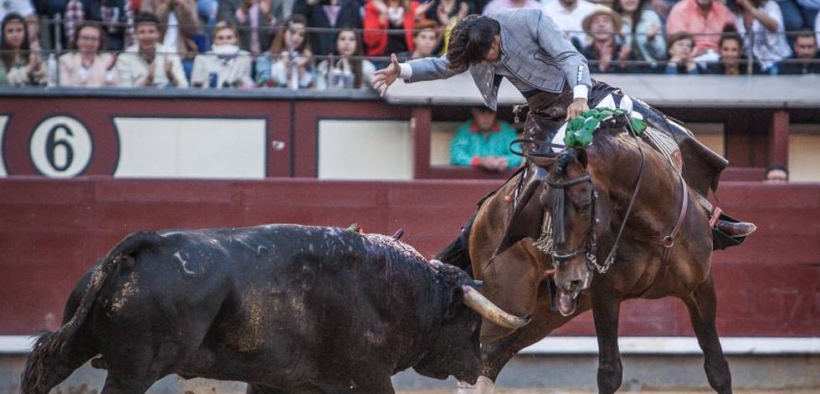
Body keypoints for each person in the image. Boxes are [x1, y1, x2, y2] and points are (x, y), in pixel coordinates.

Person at [372, 9, 756, 239]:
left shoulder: (529, 21)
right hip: (543, 115)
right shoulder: (477, 47)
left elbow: (571, 57)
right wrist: (402, 70)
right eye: (480, 60)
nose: (486, 63)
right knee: (534, 183)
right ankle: (547, 251)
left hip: (585, 94)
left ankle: (712, 216)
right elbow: (446, 65)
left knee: (663, 131)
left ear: (495, 36)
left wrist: (578, 98)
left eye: (487, 55)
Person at [116, 12, 189, 87]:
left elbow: (184, 87)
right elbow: (125, 92)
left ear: (158, 34)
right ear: (135, 35)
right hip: (139, 97)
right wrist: (147, 81)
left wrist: (171, 77)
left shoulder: (169, 53)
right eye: (142, 32)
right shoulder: (125, 57)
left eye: (151, 32)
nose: (147, 36)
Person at [450, 106, 523, 172]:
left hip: (501, 181)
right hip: (472, 180)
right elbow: (457, 156)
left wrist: (502, 161)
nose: (486, 118)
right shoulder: (464, 130)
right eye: (482, 113)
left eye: (490, 113)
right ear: (474, 112)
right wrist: (481, 162)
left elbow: (517, 155)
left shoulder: (506, 130)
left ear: (495, 113)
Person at [363, 0, 433, 66]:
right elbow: (370, 42)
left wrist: (416, 17)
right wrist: (381, 18)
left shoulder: (414, 8)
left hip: (407, 59)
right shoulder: (374, 7)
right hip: (380, 60)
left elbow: (420, 39)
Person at [729, 0, 792, 73]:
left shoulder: (770, 6)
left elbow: (773, 27)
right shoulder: (735, 14)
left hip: (777, 60)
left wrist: (750, 8)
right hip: (753, 64)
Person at [255, 14, 315, 88]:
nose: (296, 37)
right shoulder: (266, 58)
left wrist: (301, 73)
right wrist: (282, 70)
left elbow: (316, 92)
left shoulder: (306, 60)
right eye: (293, 32)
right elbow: (262, 87)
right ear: (283, 32)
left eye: (301, 35)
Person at [190, 20, 253, 88]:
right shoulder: (202, 58)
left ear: (236, 39)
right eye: (220, 38)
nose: (225, 41)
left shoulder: (244, 57)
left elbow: (246, 83)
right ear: (214, 40)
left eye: (229, 38)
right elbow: (196, 87)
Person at [292, 0, 363, 59]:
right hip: (315, 58)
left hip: (346, 61)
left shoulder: (352, 6)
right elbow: (296, 21)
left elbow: (358, 35)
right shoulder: (306, 3)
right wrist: (309, 3)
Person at [666, 0, 737, 58]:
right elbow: (677, 45)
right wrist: (697, 52)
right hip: (689, 60)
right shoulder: (680, 10)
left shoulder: (724, 12)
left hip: (719, 61)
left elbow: (732, 41)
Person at [58, 21, 119, 86]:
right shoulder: (65, 60)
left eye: (94, 39)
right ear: (77, 40)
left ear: (99, 42)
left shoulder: (108, 59)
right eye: (85, 38)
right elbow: (64, 88)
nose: (89, 42)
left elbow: (115, 87)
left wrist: (108, 71)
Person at [580, 5, 637, 73]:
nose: (601, 24)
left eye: (606, 21)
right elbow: (582, 80)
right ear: (590, 29)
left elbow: (640, 78)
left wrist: (623, 66)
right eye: (596, 21)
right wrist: (601, 67)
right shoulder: (583, 54)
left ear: (614, 27)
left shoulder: (625, 52)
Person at [612, 0, 666, 70]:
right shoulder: (613, 20)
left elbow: (661, 54)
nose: (630, 1)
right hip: (623, 69)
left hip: (651, 69)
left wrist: (651, 40)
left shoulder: (650, 16)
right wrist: (620, 39)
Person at [216, 0, 281, 59]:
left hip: (266, 58)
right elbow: (224, 29)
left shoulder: (275, 2)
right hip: (237, 58)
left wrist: (268, 17)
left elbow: (281, 34)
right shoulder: (227, 1)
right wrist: (244, 11)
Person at [63, 0, 135, 51]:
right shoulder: (77, 3)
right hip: (87, 52)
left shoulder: (124, 3)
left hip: (119, 52)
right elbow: (74, 38)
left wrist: (123, 55)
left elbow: (130, 38)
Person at [0, 13, 45, 86]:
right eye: (10, 31)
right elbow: (4, 80)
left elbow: (44, 82)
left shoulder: (30, 55)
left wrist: (38, 66)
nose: (15, 34)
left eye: (19, 30)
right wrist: (30, 66)